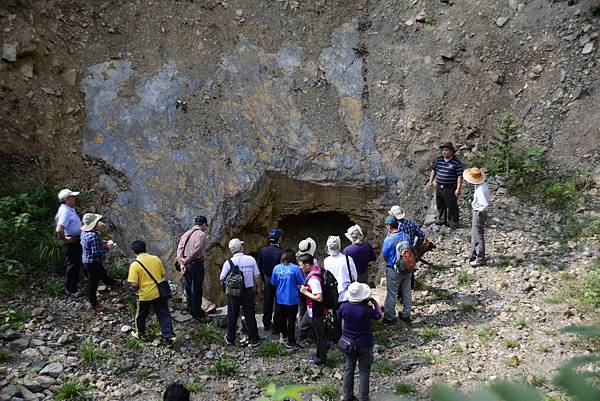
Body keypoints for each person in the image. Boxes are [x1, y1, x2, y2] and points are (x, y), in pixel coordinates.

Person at [339, 282, 382, 401]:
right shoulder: (367, 310)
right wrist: (375, 303)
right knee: (364, 370)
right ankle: (363, 397)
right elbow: (379, 316)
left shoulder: (344, 307)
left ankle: (347, 396)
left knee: (348, 368)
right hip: (364, 343)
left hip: (348, 343)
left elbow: (339, 316)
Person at [128, 240, 176, 346]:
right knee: (163, 314)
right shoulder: (156, 259)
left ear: (133, 251)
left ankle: (141, 334)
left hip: (144, 295)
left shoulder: (134, 265)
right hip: (159, 293)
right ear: (146, 248)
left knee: (141, 315)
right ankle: (169, 336)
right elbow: (162, 275)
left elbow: (134, 284)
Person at [219, 238, 262, 346]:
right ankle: (254, 339)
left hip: (233, 293)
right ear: (240, 247)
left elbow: (222, 278)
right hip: (248, 291)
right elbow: (257, 276)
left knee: (232, 315)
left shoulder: (228, 263)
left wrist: (226, 289)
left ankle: (230, 339)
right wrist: (258, 289)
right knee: (250, 315)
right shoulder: (250, 259)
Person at [80, 213, 119, 312]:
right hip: (92, 262)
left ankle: (111, 282)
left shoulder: (84, 232)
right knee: (93, 282)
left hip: (86, 260)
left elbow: (91, 246)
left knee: (102, 272)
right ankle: (93, 303)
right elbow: (96, 253)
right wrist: (108, 248)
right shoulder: (93, 236)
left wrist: (103, 243)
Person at [324, 235, 358, 341]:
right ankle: (349, 337)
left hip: (333, 294)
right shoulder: (347, 259)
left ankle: (337, 338)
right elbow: (354, 276)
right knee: (348, 317)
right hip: (346, 292)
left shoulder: (327, 261)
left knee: (336, 316)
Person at [177, 216, 209, 322]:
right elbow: (196, 251)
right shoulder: (201, 234)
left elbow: (180, 248)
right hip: (196, 264)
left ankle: (191, 310)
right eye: (206, 225)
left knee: (188, 287)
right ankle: (197, 313)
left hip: (186, 264)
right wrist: (185, 261)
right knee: (196, 288)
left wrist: (181, 262)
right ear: (203, 224)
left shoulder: (186, 233)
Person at [298, 253, 328, 366]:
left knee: (318, 334)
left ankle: (321, 358)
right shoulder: (315, 271)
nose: (300, 267)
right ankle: (324, 346)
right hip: (312, 309)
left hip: (316, 310)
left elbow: (319, 297)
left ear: (307, 265)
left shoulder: (313, 279)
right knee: (306, 326)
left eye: (301, 265)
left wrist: (305, 292)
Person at [381, 216, 412, 324]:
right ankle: (406, 314)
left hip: (393, 269)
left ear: (389, 226)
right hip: (407, 268)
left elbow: (384, 256)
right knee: (407, 292)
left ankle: (389, 317)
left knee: (392, 293)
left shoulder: (388, 240)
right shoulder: (406, 236)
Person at [271, 249, 305, 348]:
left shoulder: (277, 268)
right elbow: (301, 282)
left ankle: (284, 336)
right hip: (292, 298)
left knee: (282, 318)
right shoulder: (295, 269)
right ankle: (291, 341)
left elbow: (273, 282)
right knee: (291, 320)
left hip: (280, 298)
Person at [426, 142, 464, 229]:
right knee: (440, 203)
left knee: (451, 205)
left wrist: (458, 189)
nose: (444, 152)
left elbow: (459, 176)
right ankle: (442, 220)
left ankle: (453, 222)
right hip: (439, 186)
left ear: (451, 152)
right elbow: (434, 170)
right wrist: (431, 181)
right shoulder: (439, 160)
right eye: (443, 150)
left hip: (450, 187)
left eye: (446, 150)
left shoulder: (456, 162)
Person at [55, 189, 83, 298]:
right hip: (72, 242)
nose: (75, 199)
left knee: (76, 264)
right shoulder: (66, 211)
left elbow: (56, 220)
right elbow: (59, 229)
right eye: (72, 197)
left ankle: (76, 285)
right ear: (66, 200)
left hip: (75, 239)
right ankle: (71, 289)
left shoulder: (68, 209)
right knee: (73, 266)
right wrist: (66, 239)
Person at [258, 228, 284, 330]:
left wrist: (263, 279)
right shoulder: (281, 252)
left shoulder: (263, 251)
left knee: (267, 301)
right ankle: (277, 324)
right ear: (279, 239)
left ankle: (266, 323)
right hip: (279, 280)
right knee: (278, 301)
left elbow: (260, 267)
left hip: (267, 278)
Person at [463, 167, 489, 267]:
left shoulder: (481, 189)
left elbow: (484, 204)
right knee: (474, 233)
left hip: (479, 212)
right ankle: (473, 254)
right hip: (477, 210)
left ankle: (480, 258)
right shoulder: (480, 186)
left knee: (478, 235)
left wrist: (480, 211)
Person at [296, 237, 318, 344]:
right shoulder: (313, 261)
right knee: (310, 310)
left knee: (302, 309)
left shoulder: (297, 258)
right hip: (309, 287)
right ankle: (308, 334)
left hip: (300, 286)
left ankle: (302, 333)